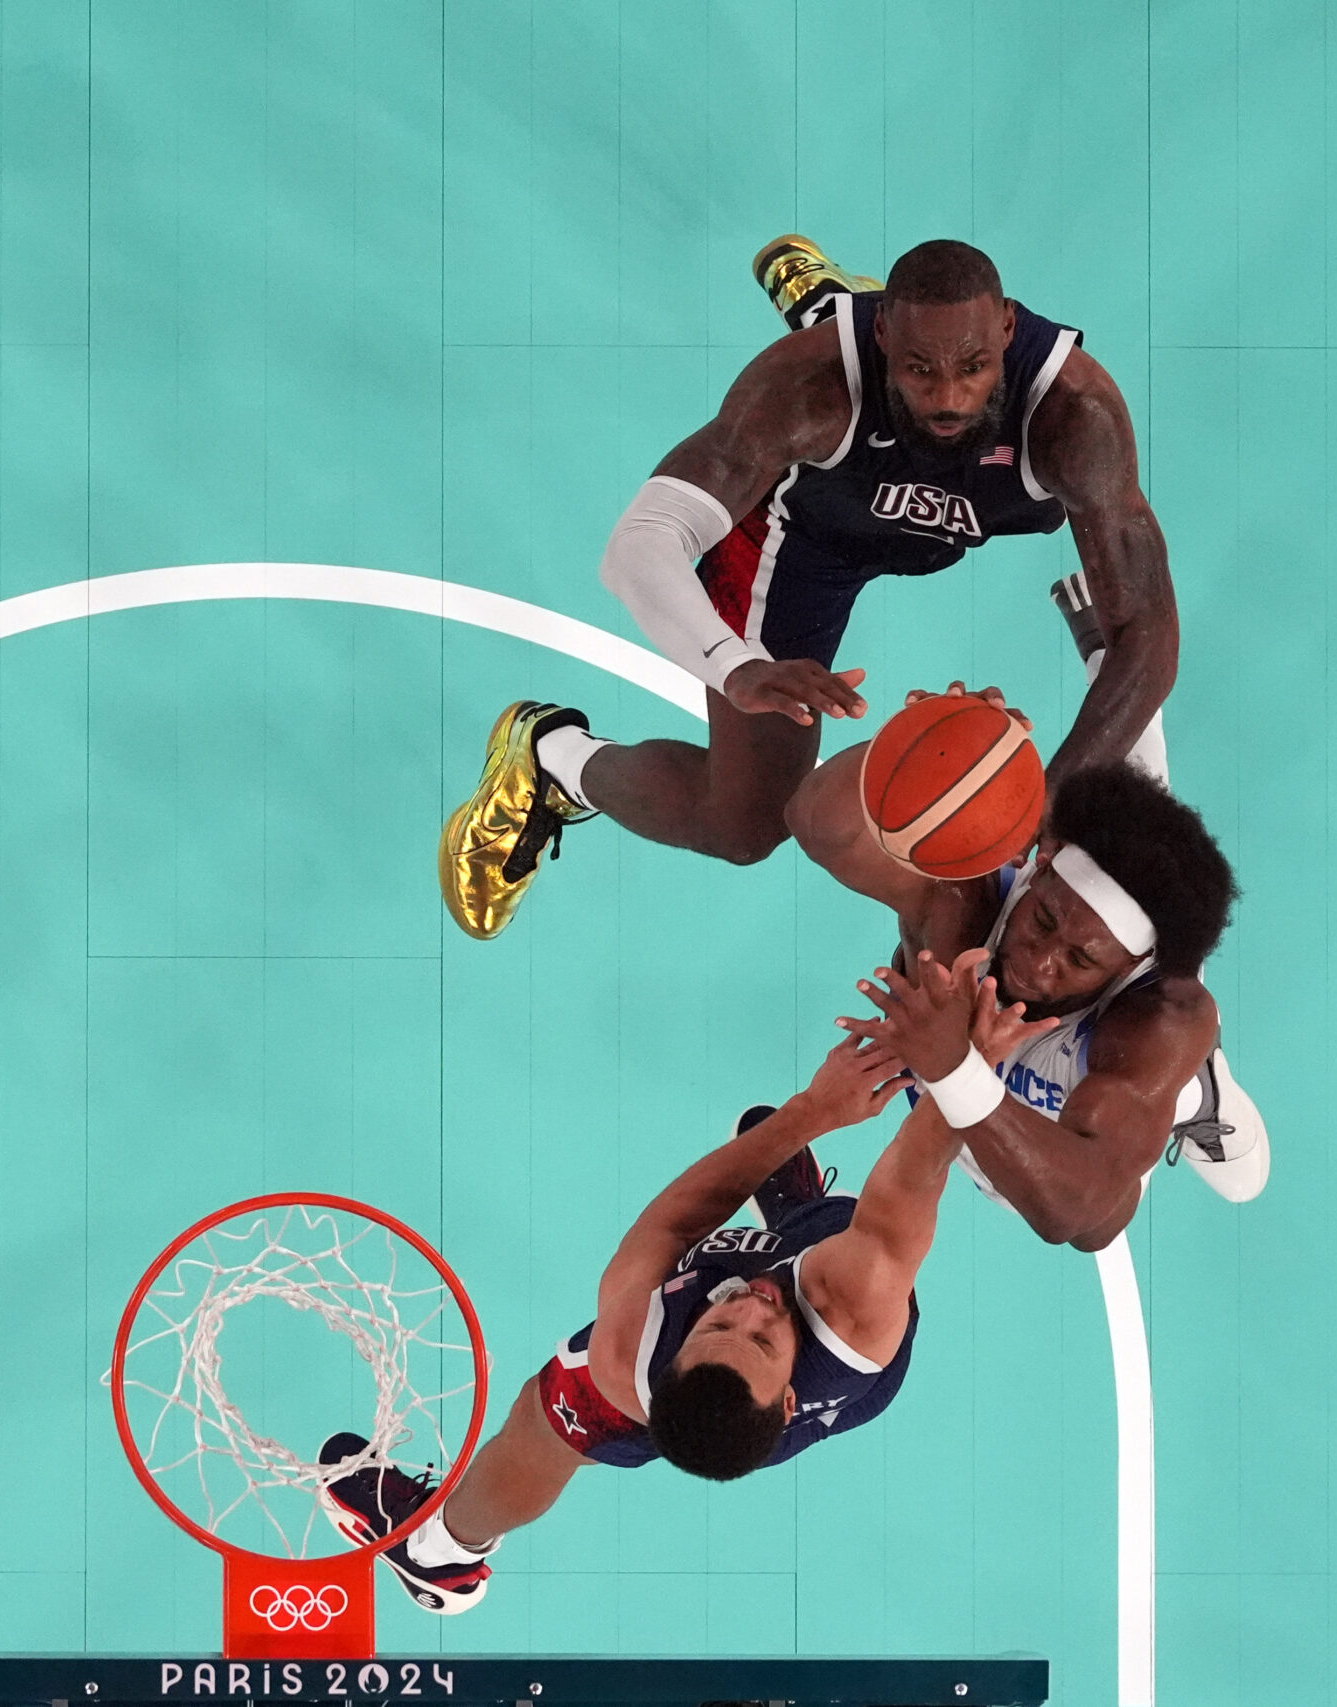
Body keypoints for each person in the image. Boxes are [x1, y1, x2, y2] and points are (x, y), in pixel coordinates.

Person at [440, 234, 1177, 940]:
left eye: (974, 366)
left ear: (1009, 329)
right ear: (886, 338)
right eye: (922, 369)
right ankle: (548, 757)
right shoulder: (805, 388)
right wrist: (738, 667)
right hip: (801, 538)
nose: (950, 398)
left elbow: (1147, 634)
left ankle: (832, 300)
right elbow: (638, 546)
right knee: (744, 824)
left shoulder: (1073, 417)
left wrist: (1049, 799)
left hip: (927, 524)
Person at [316, 1029, 1036, 1613]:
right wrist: (968, 1059)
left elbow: (692, 1209)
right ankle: (802, 1227)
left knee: (548, 1420)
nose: (749, 1307)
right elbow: (915, 1169)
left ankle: (437, 1551)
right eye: (756, 1334)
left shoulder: (634, 1343)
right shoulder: (858, 1298)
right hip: (840, 1314)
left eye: (721, 1326)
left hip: (761, 1330)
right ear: (787, 1395)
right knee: (855, 1235)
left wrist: (811, 1110)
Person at [789, 692, 1266, 1217]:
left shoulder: (1155, 1025)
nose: (1038, 963)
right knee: (1139, 789)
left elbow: (1085, 1216)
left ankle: (1202, 1098)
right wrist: (923, 742)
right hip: (981, 1117)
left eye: (1078, 960)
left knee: (1241, 1180)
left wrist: (952, 1066)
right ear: (1040, 866)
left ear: (1131, 965)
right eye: (1041, 921)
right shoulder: (966, 897)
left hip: (1060, 1144)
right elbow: (819, 824)